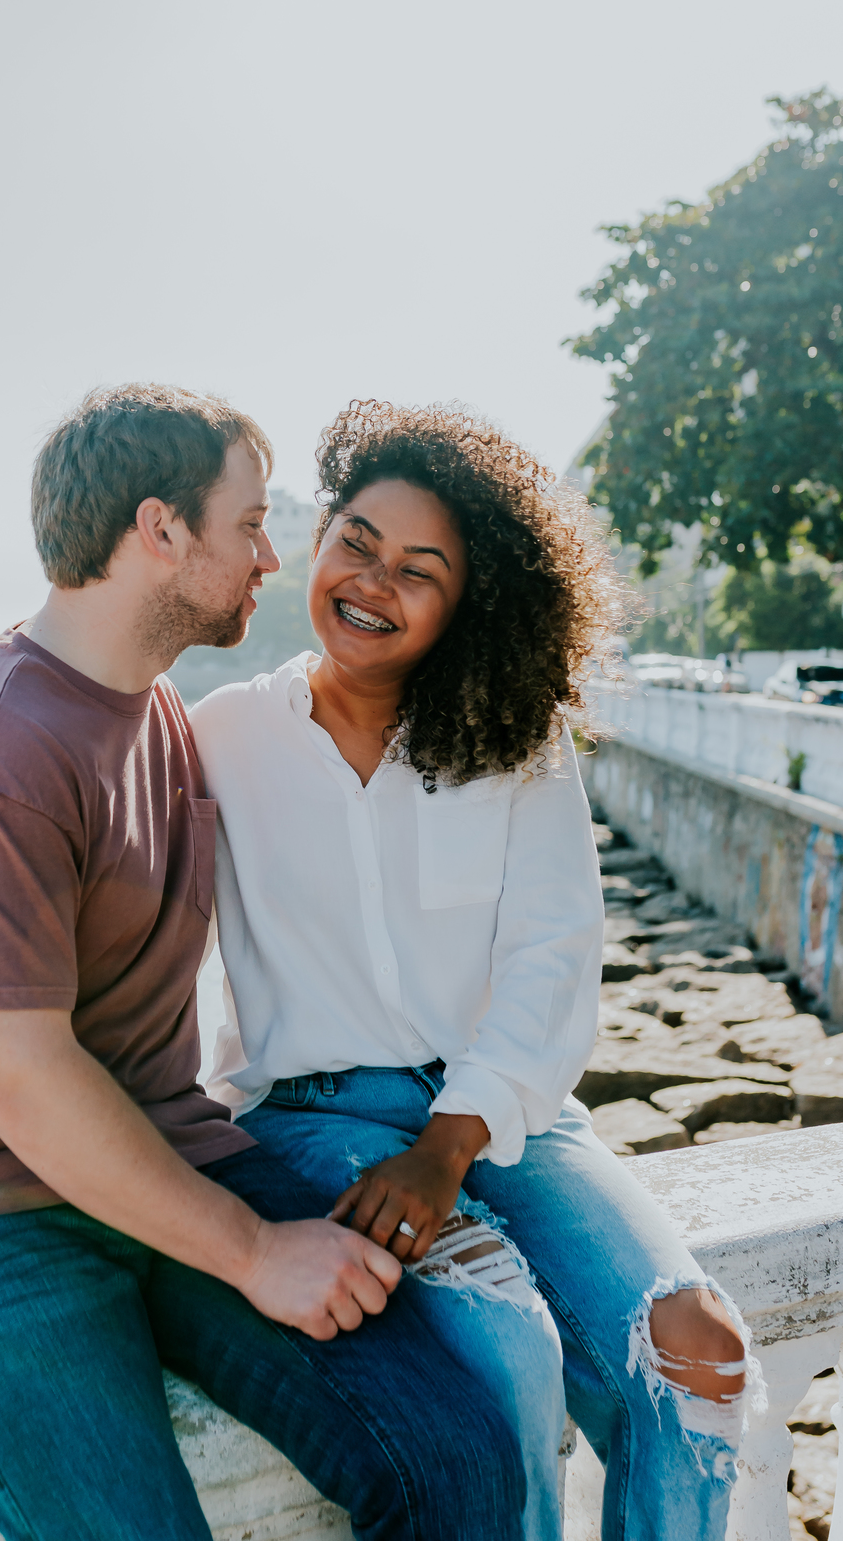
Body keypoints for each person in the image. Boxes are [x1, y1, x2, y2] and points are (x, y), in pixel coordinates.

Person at [0, 384, 527, 1541]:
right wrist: (253, 1250)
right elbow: (14, 1079)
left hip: (159, 1155)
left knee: (455, 1453)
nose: (270, 553)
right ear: (160, 530)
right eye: (247, 523)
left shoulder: (155, 715)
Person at [192, 399, 764, 1541]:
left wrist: (451, 1143)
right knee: (509, 1349)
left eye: (421, 568)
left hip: (507, 1116)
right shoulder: (212, 739)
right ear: (319, 538)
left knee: (698, 1344)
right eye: (356, 539)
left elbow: (554, 956)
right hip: (315, 1118)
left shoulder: (515, 735)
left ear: (465, 603)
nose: (373, 580)